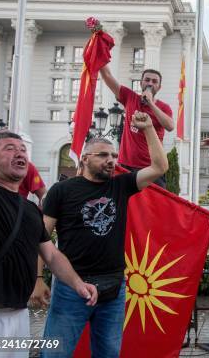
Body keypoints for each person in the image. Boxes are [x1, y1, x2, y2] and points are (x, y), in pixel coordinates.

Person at [40, 112, 168, 357]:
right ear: (85, 158)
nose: (111, 160)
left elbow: (160, 167)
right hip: (71, 285)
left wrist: (149, 127)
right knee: (55, 353)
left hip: (113, 286)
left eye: (113, 156)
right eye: (103, 155)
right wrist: (37, 278)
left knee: (108, 353)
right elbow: (42, 237)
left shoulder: (121, 185)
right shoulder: (61, 191)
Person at [0, 131, 97, 352]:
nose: (20, 153)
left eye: (23, 150)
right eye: (9, 148)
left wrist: (78, 284)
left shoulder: (29, 210)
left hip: (18, 316)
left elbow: (52, 255)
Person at [99, 65, 173, 188]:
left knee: (152, 205)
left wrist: (150, 103)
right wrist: (99, 51)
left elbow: (170, 126)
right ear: (141, 83)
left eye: (154, 82)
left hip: (152, 168)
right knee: (124, 204)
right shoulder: (130, 97)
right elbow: (107, 76)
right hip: (126, 165)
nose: (150, 83)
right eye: (147, 80)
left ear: (159, 87)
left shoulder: (164, 107)